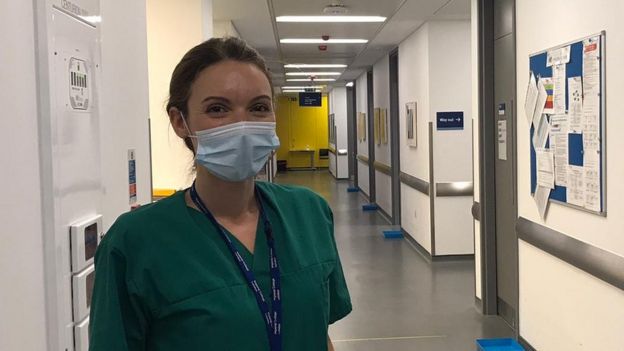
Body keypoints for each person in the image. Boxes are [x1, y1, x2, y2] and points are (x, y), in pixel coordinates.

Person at [88, 37, 352, 351]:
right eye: (217, 109)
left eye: (258, 107)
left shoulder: (308, 213)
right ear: (179, 121)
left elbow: (319, 335)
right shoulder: (134, 242)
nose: (242, 125)